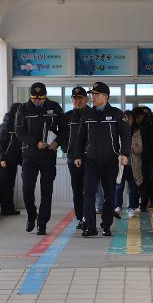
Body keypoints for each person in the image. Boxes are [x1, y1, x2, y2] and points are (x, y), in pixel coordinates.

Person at [73, 82, 131, 237]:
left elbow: (126, 136)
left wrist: (124, 154)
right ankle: (90, 226)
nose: (93, 97)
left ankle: (106, 225)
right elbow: (80, 137)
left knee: (109, 194)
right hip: (90, 161)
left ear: (105, 97)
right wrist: (78, 155)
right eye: (92, 94)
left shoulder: (117, 114)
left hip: (110, 161)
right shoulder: (87, 114)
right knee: (88, 192)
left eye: (96, 94)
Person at [15, 82, 65, 235]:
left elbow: (64, 129)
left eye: (41, 98)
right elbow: (19, 132)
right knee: (27, 188)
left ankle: (42, 223)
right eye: (35, 99)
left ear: (45, 96)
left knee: (46, 190)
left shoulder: (55, 107)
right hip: (30, 156)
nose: (38, 101)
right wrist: (35, 143)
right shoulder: (23, 109)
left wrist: (57, 142)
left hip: (48, 156)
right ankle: (32, 215)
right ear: (31, 97)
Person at [62, 86, 90, 229]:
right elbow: (62, 136)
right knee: (77, 188)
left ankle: (88, 217)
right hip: (72, 158)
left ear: (86, 99)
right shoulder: (67, 117)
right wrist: (66, 149)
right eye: (74, 98)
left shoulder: (93, 114)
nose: (77, 101)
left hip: (90, 159)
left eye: (80, 98)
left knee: (89, 189)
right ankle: (80, 217)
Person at [0, 103, 23, 216]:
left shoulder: (18, 125)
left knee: (11, 184)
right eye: (19, 112)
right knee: (4, 185)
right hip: (4, 161)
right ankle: (4, 209)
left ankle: (10, 208)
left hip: (13, 160)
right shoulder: (5, 125)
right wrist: (2, 158)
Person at [114, 110, 141, 219]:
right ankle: (117, 207)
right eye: (125, 118)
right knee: (119, 186)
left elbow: (140, 148)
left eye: (129, 118)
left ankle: (131, 208)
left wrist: (132, 148)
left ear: (132, 120)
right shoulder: (116, 130)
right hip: (120, 164)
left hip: (133, 165)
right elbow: (114, 146)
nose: (127, 120)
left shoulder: (137, 131)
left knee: (133, 188)